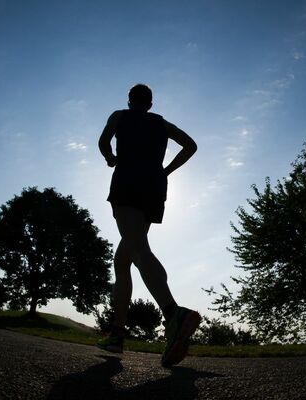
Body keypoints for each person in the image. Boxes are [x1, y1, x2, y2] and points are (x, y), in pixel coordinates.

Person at [96, 83, 200, 367]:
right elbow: (191, 146)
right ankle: (117, 333)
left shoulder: (119, 116)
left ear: (130, 100)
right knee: (123, 261)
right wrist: (165, 171)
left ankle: (173, 313)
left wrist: (110, 158)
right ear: (151, 104)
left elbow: (103, 142)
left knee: (139, 250)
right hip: (154, 189)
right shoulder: (161, 123)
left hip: (127, 184)